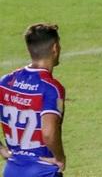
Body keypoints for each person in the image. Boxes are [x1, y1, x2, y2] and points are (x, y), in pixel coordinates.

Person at [0, 23, 66, 176]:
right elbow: (48, 133)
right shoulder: (51, 88)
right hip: (42, 171)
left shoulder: (6, 81)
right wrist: (60, 157)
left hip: (12, 170)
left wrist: (2, 149)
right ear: (55, 48)